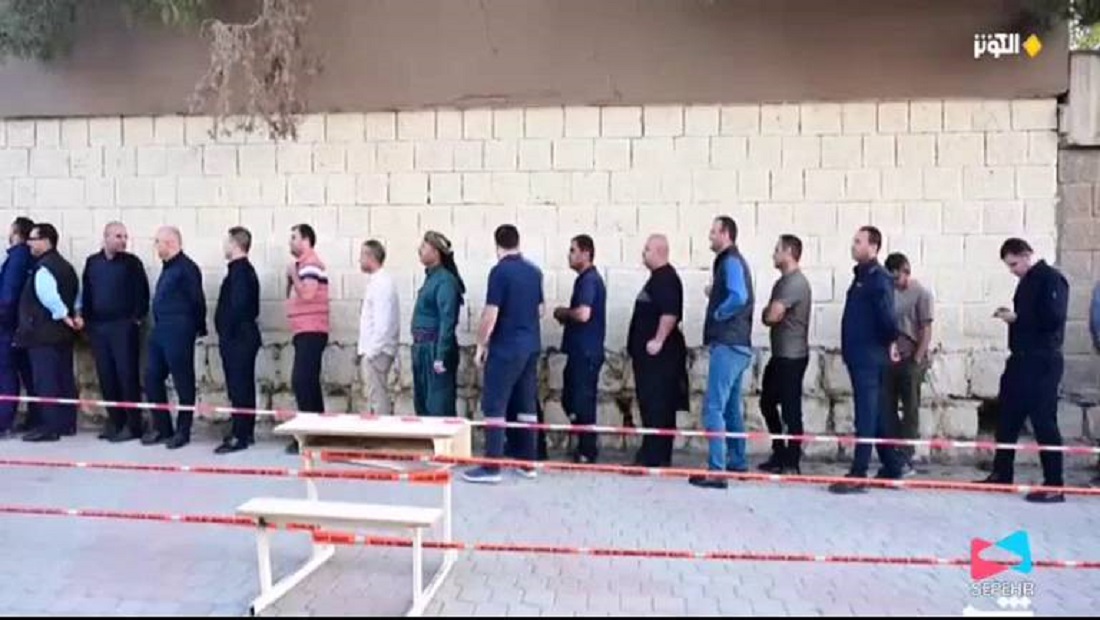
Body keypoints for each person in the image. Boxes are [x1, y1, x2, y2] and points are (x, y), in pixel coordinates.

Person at [978, 238, 1068, 504]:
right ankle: (1001, 473)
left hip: (1042, 361)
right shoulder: (1025, 283)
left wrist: (1018, 319)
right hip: (1020, 360)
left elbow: (1053, 319)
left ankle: (1054, 483)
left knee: (1043, 421)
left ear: (1027, 255)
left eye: (1015, 264)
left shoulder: (1051, 280)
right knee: (1007, 417)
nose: (1013, 270)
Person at [463, 225, 544, 484]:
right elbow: (540, 310)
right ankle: (527, 463)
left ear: (497, 244)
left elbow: (491, 314)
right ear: (518, 242)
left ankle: (492, 466)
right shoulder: (534, 272)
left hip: (506, 347)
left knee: (495, 404)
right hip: (531, 346)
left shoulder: (499, 272)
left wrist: (481, 345)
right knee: (526, 405)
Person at [829, 226, 905, 494]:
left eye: (858, 241)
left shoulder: (877, 278)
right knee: (877, 414)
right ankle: (893, 466)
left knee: (866, 414)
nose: (854, 245)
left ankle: (859, 471)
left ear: (873, 247)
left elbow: (887, 317)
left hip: (870, 356)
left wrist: (890, 341)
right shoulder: (862, 276)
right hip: (860, 355)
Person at [690, 216, 755, 490]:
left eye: (714, 231)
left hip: (727, 343)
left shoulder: (730, 261)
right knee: (730, 408)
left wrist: (719, 312)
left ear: (726, 234)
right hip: (739, 345)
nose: (710, 236)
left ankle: (717, 470)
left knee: (714, 407)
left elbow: (739, 296)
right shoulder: (733, 262)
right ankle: (737, 460)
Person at [79, 222, 149, 443]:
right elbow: (87, 292)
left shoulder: (132, 263)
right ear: (106, 237)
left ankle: (133, 424)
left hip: (123, 327)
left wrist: (135, 320)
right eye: (118, 236)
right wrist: (87, 322)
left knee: (126, 376)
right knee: (106, 377)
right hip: (99, 328)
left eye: (125, 236)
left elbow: (142, 293)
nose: (123, 241)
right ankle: (116, 421)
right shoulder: (93, 263)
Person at [143, 226, 207, 450]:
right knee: (151, 376)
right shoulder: (168, 267)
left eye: (158, 241)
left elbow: (197, 300)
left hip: (179, 331)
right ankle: (163, 428)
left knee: (183, 381)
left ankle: (183, 431)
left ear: (170, 243)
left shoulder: (187, 268)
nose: (155, 246)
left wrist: (196, 327)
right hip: (160, 330)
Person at [628, 235, 688, 468]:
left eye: (647, 249)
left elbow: (670, 313)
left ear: (659, 252)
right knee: (651, 405)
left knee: (657, 405)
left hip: (659, 360)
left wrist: (658, 340)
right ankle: (653, 453)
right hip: (649, 359)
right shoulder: (657, 279)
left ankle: (655, 455)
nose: (643, 253)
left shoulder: (666, 279)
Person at [16, 223, 80, 443]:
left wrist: (64, 316)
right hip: (63, 335)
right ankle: (67, 423)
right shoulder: (66, 266)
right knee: (64, 378)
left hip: (43, 334)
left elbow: (50, 297)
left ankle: (50, 427)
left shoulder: (44, 268)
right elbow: (76, 295)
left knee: (46, 381)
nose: (29, 243)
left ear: (46, 241)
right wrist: (75, 316)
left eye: (33, 239)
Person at [757, 234, 812, 476]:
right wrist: (769, 313)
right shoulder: (782, 282)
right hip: (780, 354)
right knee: (767, 402)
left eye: (777, 249)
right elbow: (770, 315)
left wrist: (769, 313)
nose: (773, 254)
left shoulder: (795, 283)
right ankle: (779, 451)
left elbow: (771, 316)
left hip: (792, 356)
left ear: (789, 252)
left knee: (790, 409)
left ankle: (792, 460)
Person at [553, 235, 607, 464]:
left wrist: (564, 313)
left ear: (586, 253)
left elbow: (584, 314)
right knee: (571, 399)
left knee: (581, 401)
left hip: (586, 352)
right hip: (580, 351)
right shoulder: (585, 280)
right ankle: (585, 443)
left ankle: (587, 449)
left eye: (573, 250)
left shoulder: (589, 280)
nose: (569, 254)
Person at [882, 252, 934, 475]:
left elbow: (926, 328)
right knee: (887, 406)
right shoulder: (887, 292)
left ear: (906, 272)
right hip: (889, 356)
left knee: (910, 408)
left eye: (898, 277)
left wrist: (917, 358)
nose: (895, 282)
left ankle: (907, 453)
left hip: (911, 356)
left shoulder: (921, 293)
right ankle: (894, 451)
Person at [214, 227, 262, 454]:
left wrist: (226, 330)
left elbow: (239, 307)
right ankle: (245, 431)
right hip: (239, 337)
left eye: (226, 241)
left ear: (234, 244)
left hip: (238, 339)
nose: (224, 246)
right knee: (242, 386)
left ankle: (240, 436)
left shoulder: (240, 272)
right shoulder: (240, 271)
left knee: (239, 387)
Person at [285, 224, 330, 454]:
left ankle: (308, 434)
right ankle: (316, 433)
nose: (290, 242)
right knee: (308, 382)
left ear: (306, 240)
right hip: (304, 330)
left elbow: (309, 294)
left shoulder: (310, 265)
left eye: (294, 237)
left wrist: (293, 275)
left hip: (312, 330)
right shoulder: (303, 266)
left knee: (302, 381)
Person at [410, 231, 464, 417]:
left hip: (434, 350)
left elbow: (447, 321)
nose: (420, 250)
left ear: (436, 252)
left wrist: (441, 356)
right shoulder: (431, 278)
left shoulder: (445, 281)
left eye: (424, 247)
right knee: (422, 405)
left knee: (438, 406)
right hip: (422, 348)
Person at [0, 217, 35, 437]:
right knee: (24, 373)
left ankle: (3, 421)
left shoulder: (17, 258)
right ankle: (33, 417)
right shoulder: (27, 257)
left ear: (16, 233)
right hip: (19, 325)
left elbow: (8, 295)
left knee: (6, 373)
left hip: (8, 327)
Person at [358, 240, 400, 416]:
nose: (359, 260)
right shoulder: (377, 282)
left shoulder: (382, 283)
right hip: (376, 350)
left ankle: (381, 430)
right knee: (373, 396)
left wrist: (371, 352)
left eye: (362, 255)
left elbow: (383, 323)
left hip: (377, 352)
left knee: (377, 397)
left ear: (370, 256)